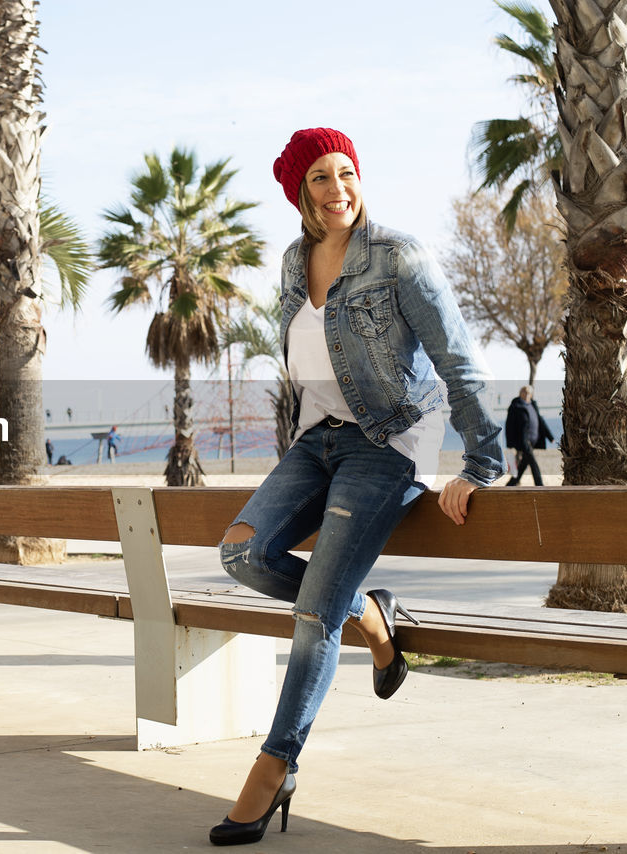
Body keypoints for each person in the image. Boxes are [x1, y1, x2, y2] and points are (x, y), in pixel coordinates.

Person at [209, 128, 503, 847]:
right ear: (298, 193)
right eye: (319, 178)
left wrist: (479, 465)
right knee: (241, 555)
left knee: (313, 613)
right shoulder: (292, 262)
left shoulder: (397, 255)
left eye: (346, 172)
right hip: (319, 443)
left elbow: (455, 353)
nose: (337, 188)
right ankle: (371, 618)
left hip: (388, 442)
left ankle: (275, 764)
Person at [504, 385, 553, 486]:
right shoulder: (515, 406)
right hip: (523, 441)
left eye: (529, 393)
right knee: (533, 462)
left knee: (523, 464)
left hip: (533, 440)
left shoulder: (532, 405)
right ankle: (540, 485)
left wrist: (550, 437)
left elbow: (540, 421)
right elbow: (509, 425)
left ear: (531, 395)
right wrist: (510, 443)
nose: (526, 395)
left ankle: (512, 483)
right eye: (524, 392)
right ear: (520, 393)